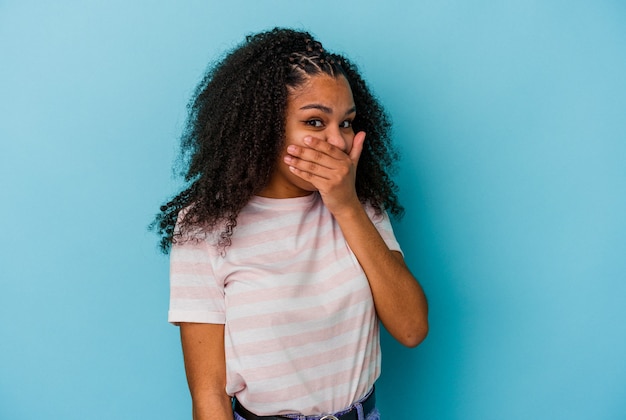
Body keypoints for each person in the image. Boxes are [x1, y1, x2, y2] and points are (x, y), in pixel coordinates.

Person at [152, 27, 428, 420]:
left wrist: (346, 207)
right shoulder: (205, 227)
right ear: (265, 128)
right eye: (315, 122)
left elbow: (412, 328)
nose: (337, 141)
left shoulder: (361, 206)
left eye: (346, 123)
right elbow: (209, 394)